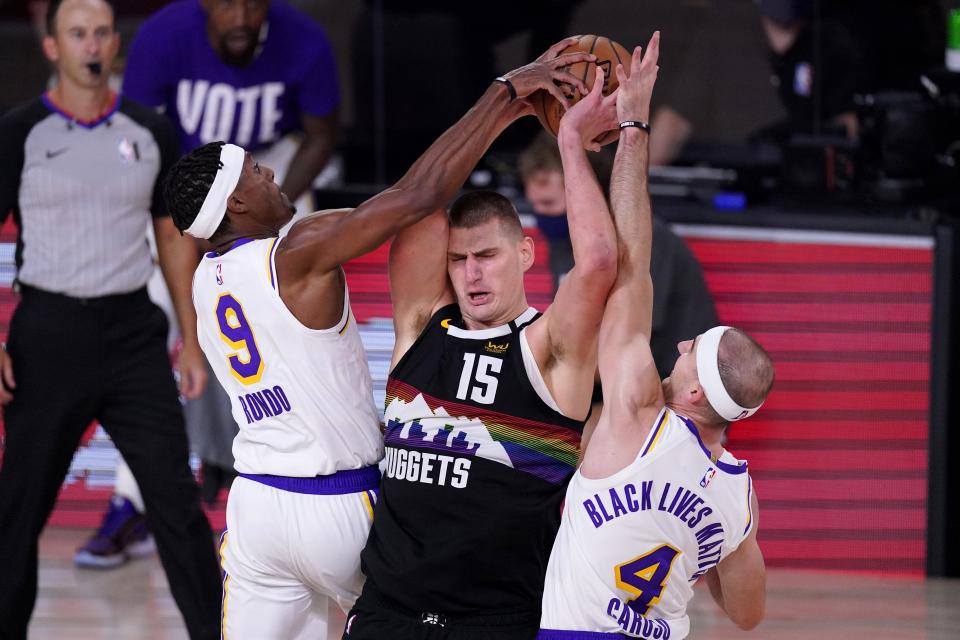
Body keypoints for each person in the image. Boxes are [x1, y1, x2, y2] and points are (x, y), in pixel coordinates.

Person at [164, 40, 595, 640]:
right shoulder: (296, 252)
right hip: (338, 504)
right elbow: (418, 198)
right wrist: (508, 95)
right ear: (237, 202)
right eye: (258, 174)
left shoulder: (204, 279)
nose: (272, 174)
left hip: (256, 508)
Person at [341, 64, 621, 639]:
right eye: (459, 259)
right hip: (385, 616)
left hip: (494, 623)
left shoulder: (549, 350)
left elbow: (597, 263)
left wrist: (567, 141)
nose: (472, 274)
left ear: (524, 253)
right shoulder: (421, 325)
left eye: (488, 256)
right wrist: (506, 105)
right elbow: (420, 196)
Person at [79, 0, 343, 562]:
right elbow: (137, 145)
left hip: (266, 180)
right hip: (185, 193)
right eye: (227, 5)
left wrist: (275, 212)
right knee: (157, 319)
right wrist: (191, 221)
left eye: (252, 4)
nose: (242, 16)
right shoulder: (162, 37)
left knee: (281, 324)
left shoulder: (304, 39)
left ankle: (276, 461)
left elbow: (321, 134)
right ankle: (134, 497)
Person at [538, 33, 775, 639]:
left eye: (691, 349)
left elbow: (630, 262)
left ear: (696, 393)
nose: (678, 346)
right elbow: (748, 615)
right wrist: (708, 536)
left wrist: (634, 123)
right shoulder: (737, 497)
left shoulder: (639, 413)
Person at [0, 0, 221, 638]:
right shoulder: (20, 131)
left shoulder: (149, 129)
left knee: (176, 509)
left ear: (114, 42)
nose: (91, 45)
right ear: (52, 48)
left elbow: (173, 236)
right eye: (77, 34)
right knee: (17, 511)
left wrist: (192, 338)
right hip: (46, 336)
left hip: (132, 337)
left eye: (101, 33)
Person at [519, 131, 718, 378]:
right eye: (534, 205)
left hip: (673, 381)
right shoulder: (563, 240)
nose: (541, 216)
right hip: (616, 376)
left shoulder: (642, 239)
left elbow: (631, 337)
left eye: (548, 204)